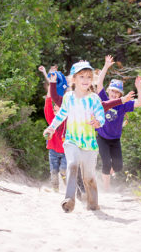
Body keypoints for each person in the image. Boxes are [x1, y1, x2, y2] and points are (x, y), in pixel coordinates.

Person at [43, 61, 106, 213]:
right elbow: (60, 116)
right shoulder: (68, 98)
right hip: (71, 140)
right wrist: (51, 128)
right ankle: (69, 200)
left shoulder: (94, 99)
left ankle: (92, 204)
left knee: (89, 176)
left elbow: (101, 117)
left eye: (89, 77)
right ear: (74, 79)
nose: (86, 80)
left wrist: (97, 122)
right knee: (71, 165)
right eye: (82, 76)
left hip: (89, 143)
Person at [96, 55, 141, 191]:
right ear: (108, 91)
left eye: (117, 93)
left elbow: (140, 103)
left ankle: (106, 174)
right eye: (112, 91)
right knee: (106, 162)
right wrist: (106, 66)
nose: (114, 94)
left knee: (118, 166)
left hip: (115, 139)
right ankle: (106, 188)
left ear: (120, 95)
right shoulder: (103, 99)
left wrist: (138, 87)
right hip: (102, 137)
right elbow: (99, 84)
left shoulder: (123, 105)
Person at [41, 71, 67, 192]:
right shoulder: (51, 117)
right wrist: (51, 85)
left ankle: (68, 185)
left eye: (59, 105)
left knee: (63, 170)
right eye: (55, 105)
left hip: (66, 150)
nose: (57, 106)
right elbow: (48, 102)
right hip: (53, 150)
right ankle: (56, 189)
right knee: (54, 171)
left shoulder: (67, 116)